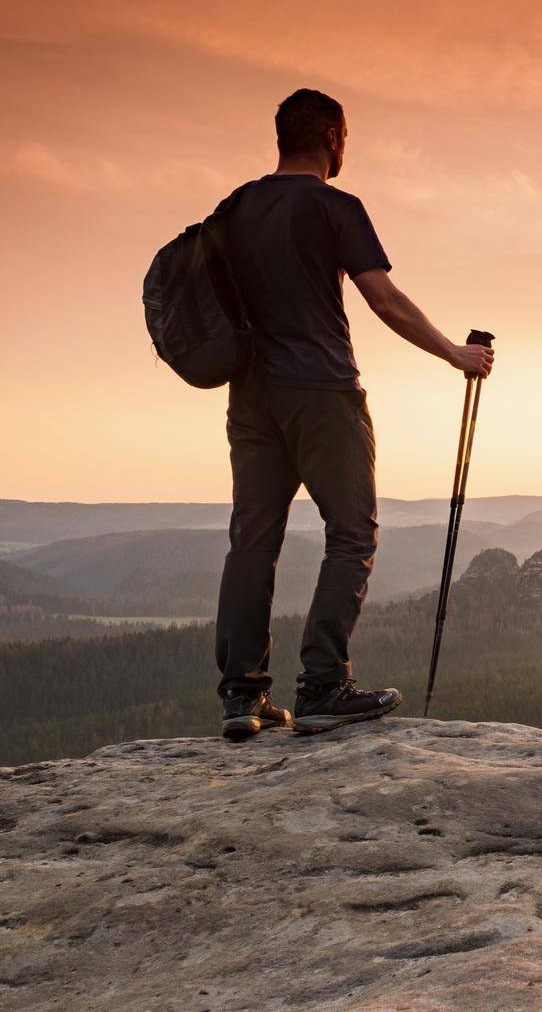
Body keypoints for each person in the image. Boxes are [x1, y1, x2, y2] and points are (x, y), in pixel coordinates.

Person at [214, 88, 493, 741]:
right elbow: (385, 299)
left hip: (251, 396)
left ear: (281, 137)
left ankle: (241, 696)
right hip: (321, 389)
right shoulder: (335, 207)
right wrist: (456, 351)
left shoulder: (235, 209)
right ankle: (321, 684)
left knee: (253, 537)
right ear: (334, 139)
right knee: (353, 531)